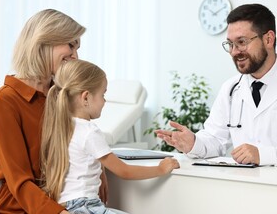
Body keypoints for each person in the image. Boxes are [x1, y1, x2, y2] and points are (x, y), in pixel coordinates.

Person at [156, 3, 277, 167]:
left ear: (269, 39)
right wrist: (193, 143)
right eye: (230, 44)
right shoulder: (231, 89)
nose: (234, 52)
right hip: (246, 190)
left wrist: (265, 155)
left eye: (242, 42)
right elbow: (215, 139)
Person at [40, 59, 180, 214]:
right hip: (85, 207)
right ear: (85, 98)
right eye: (103, 94)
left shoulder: (61, 127)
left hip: (64, 207)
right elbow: (124, 171)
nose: (105, 101)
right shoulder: (89, 131)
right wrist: (161, 168)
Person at [0, 9, 86, 213]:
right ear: (44, 42)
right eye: (71, 45)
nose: (75, 56)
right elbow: (20, 182)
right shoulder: (4, 101)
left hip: (71, 203)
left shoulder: (62, 95)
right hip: (21, 209)